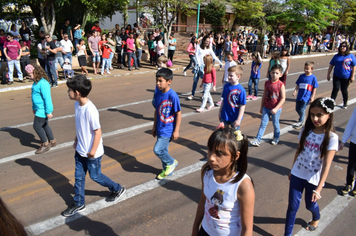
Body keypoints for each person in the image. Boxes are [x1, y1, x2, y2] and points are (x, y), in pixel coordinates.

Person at [62, 75, 126, 217]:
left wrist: (92, 151)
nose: (68, 92)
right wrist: (76, 140)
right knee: (79, 177)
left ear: (77, 92)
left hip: (92, 153)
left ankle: (117, 188)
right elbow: (80, 127)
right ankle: (79, 203)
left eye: (69, 90)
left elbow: (98, 132)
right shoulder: (77, 105)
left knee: (95, 176)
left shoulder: (90, 110)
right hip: (80, 150)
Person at [284, 97, 338, 235]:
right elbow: (298, 151)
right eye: (312, 114)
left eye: (319, 115)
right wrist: (292, 169)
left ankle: (316, 217)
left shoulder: (332, 138)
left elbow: (327, 165)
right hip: (297, 174)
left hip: (313, 179)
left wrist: (319, 188)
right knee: (292, 207)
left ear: (329, 115)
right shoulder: (305, 131)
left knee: (310, 205)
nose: (315, 118)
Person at [191, 128, 255, 236]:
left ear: (236, 156)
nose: (211, 158)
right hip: (205, 231)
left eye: (219, 154)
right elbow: (203, 201)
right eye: (210, 150)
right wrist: (195, 229)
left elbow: (247, 229)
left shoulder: (243, 185)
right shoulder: (207, 173)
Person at [152, 68, 181, 180]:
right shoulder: (158, 94)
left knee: (158, 150)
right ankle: (166, 170)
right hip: (160, 127)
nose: (158, 83)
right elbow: (156, 110)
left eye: (160, 81)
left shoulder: (172, 95)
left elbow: (178, 113)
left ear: (169, 81)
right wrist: (154, 126)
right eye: (157, 81)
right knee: (163, 150)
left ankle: (171, 162)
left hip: (168, 129)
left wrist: (176, 130)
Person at [250, 64, 286, 146]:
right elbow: (264, 95)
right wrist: (261, 107)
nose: (274, 75)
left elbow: (283, 98)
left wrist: (276, 108)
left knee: (275, 124)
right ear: (270, 73)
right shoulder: (267, 83)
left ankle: (276, 137)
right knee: (263, 123)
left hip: (276, 109)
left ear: (281, 74)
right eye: (273, 73)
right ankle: (258, 139)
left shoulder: (281, 84)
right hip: (266, 107)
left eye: (277, 73)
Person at [25, 64, 56, 154]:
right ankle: (52, 141)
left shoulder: (43, 83)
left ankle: (45, 144)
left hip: (42, 110)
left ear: (37, 73)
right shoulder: (36, 83)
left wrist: (49, 111)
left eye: (30, 75)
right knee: (45, 125)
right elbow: (34, 97)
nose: (29, 77)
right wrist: (34, 108)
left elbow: (47, 98)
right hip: (38, 109)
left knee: (37, 126)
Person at [187, 35, 223, 100]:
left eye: (208, 41)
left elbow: (214, 56)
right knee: (195, 80)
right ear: (203, 41)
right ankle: (192, 94)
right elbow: (196, 56)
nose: (207, 42)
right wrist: (198, 64)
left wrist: (221, 63)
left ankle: (204, 94)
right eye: (206, 41)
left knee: (205, 81)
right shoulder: (198, 46)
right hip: (199, 66)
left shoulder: (209, 48)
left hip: (206, 67)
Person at [327, 41, 355, 109]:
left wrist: (352, 76)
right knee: (335, 89)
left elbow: (354, 66)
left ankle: (345, 102)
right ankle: (331, 103)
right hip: (337, 76)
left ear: (347, 48)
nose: (343, 47)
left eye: (344, 46)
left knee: (344, 90)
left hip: (346, 77)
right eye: (342, 46)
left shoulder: (350, 56)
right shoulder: (336, 56)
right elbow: (331, 65)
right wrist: (328, 74)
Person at [217, 65, 246, 131]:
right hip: (225, 116)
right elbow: (224, 100)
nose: (229, 77)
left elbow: (242, 105)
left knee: (234, 136)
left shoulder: (241, 90)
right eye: (228, 75)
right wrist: (220, 111)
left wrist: (239, 119)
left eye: (231, 75)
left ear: (238, 77)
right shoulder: (226, 86)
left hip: (235, 118)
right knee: (223, 134)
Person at [292, 61, 318, 129]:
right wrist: (295, 91)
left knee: (302, 109)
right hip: (299, 96)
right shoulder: (301, 76)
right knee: (297, 108)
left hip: (306, 97)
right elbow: (298, 84)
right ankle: (302, 117)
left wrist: (312, 97)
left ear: (312, 69)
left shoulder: (313, 78)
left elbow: (314, 88)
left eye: (307, 69)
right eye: (305, 68)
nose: (305, 70)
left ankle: (301, 121)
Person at [340, 106, 356, 196]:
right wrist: (344, 140)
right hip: (354, 141)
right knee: (351, 165)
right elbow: (351, 123)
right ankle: (349, 184)